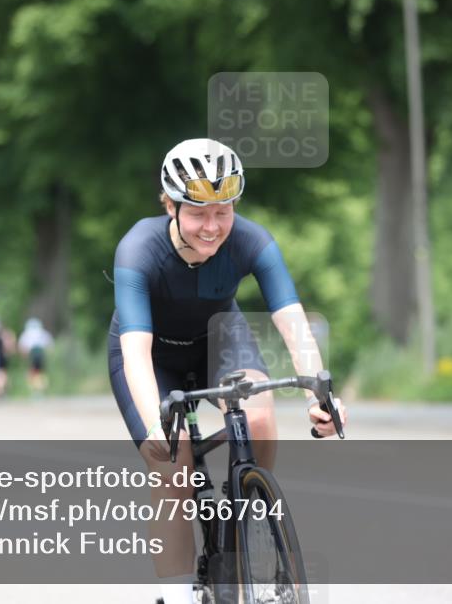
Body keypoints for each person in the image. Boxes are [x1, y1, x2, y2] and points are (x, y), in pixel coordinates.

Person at [108, 138, 347, 604]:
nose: (213, 227)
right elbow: (136, 350)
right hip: (152, 356)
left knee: (259, 412)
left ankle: (255, 519)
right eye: (199, 213)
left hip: (220, 337)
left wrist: (321, 395)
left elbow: (291, 318)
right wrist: (157, 426)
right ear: (170, 205)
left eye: (224, 211)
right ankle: (175, 595)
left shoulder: (252, 240)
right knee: (172, 467)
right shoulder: (138, 248)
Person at [18, 318, 52, 394]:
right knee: (40, 372)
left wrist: (24, 356)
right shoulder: (42, 332)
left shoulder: (27, 333)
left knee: (32, 372)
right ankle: (40, 388)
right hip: (40, 353)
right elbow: (49, 344)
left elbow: (22, 346)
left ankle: (36, 389)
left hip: (33, 353)